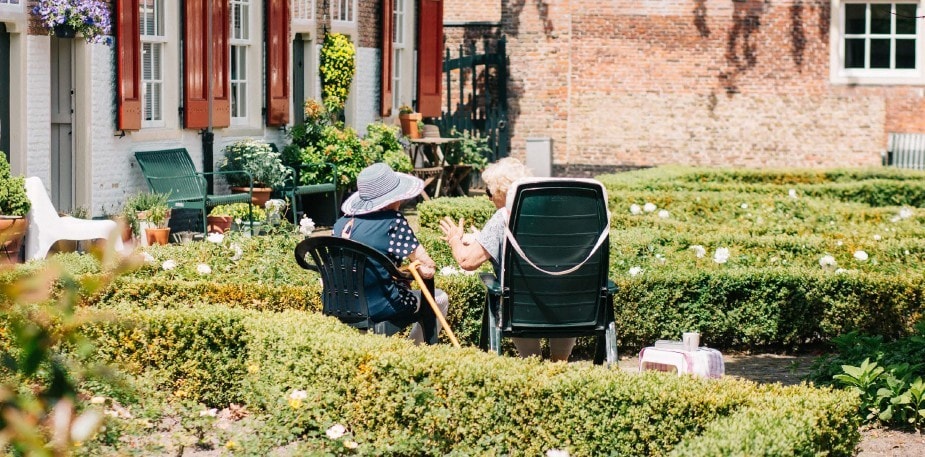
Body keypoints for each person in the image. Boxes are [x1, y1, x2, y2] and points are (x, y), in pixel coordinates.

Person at [438, 157, 577, 362]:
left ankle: (533, 364)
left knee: (513, 295)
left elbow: (467, 261)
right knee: (555, 291)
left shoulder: (504, 216)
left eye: (488, 192)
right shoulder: (559, 215)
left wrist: (454, 240)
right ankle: (560, 363)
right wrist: (482, 239)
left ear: (501, 192)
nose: (488, 198)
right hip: (569, 306)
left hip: (523, 308)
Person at [334, 162, 449, 344]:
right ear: (392, 198)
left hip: (339, 304)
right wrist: (417, 270)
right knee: (440, 298)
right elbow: (427, 266)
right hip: (379, 306)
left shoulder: (340, 224)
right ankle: (415, 353)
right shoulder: (392, 222)